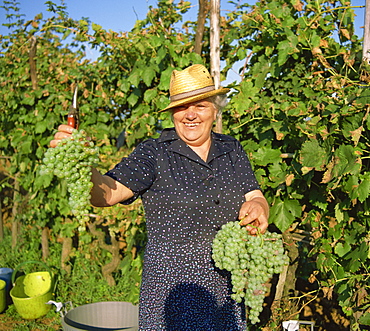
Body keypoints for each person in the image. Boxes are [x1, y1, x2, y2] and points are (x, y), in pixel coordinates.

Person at [50, 64, 269, 330]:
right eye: (181, 107)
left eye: (199, 106)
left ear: (215, 109)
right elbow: (108, 193)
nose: (190, 115)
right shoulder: (155, 153)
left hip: (226, 291)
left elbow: (254, 193)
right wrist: (83, 163)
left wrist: (258, 207)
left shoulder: (231, 148)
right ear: (172, 113)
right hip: (171, 296)